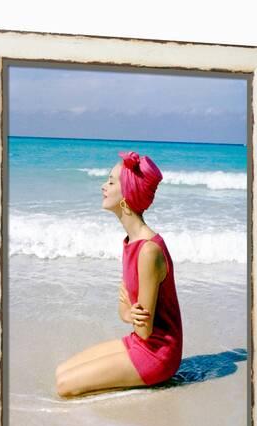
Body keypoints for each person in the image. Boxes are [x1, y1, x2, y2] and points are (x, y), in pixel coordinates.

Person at [55, 151, 183, 398]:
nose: (104, 186)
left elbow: (144, 329)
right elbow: (125, 310)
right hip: (138, 341)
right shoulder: (129, 242)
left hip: (157, 354)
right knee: (61, 372)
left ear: (126, 197)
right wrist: (128, 313)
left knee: (65, 387)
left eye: (111, 182)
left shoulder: (148, 250)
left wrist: (129, 313)